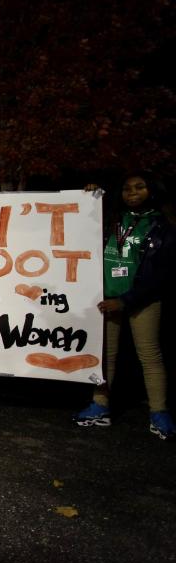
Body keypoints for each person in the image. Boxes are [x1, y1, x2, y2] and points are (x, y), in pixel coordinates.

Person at [74, 172, 175, 440]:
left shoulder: (163, 225)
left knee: (150, 356)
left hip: (141, 299)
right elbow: (82, 225)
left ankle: (159, 412)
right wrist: (89, 198)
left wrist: (126, 300)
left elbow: (160, 274)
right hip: (107, 298)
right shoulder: (113, 219)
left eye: (139, 187)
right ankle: (100, 406)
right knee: (104, 355)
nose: (132, 193)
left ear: (152, 190)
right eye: (127, 188)